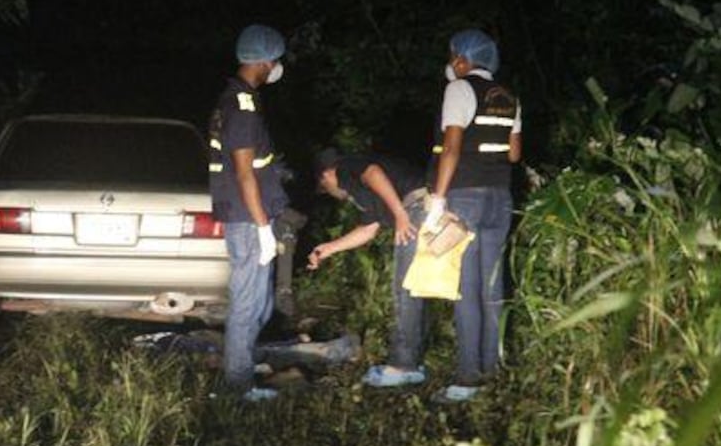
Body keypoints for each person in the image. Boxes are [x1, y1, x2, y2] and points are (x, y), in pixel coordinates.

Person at [422, 29, 522, 403]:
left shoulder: (459, 89)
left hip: (466, 197)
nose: (451, 63)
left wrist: (439, 198)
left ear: (463, 59)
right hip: (501, 196)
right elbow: (513, 153)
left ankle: (467, 377)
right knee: (492, 288)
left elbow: (451, 147)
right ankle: (493, 371)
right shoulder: (509, 96)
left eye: (453, 56)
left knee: (465, 288)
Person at [208, 24, 291, 402]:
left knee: (259, 301)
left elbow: (253, 166)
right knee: (247, 302)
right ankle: (237, 386)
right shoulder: (241, 105)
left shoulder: (239, 100)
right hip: (248, 220)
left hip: (249, 215)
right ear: (263, 62)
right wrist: (262, 228)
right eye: (274, 60)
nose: (276, 67)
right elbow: (244, 172)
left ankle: (243, 363)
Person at [308, 149, 429, 387]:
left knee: (403, 289)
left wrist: (400, 214)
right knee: (415, 287)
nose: (333, 194)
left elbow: (373, 172)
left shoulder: (346, 168)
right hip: (418, 206)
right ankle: (413, 362)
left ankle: (403, 365)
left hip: (415, 206)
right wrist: (330, 248)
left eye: (326, 189)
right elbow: (369, 229)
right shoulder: (362, 192)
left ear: (326, 175)